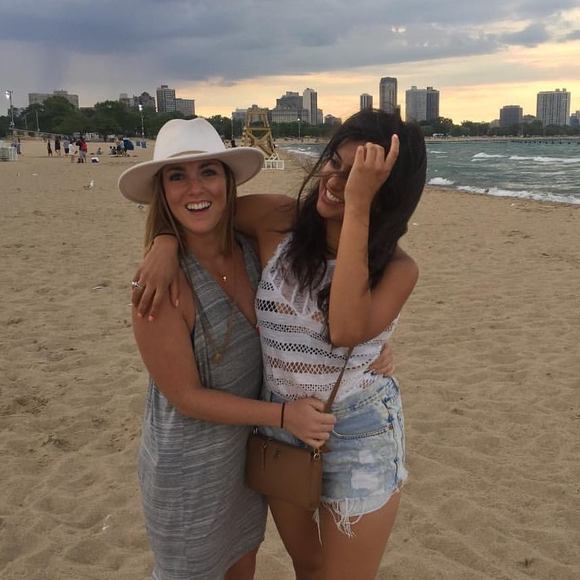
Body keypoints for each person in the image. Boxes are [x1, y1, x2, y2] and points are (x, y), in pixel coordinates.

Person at [135, 109, 426, 579]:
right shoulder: (278, 218)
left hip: (358, 429)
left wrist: (357, 208)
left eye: (357, 177)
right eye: (335, 163)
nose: (335, 182)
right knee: (307, 565)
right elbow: (201, 210)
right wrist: (164, 242)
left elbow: (345, 330)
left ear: (387, 192)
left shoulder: (398, 269)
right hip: (279, 425)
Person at [118, 118, 343, 580]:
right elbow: (187, 398)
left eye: (208, 172)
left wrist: (374, 347)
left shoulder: (254, 247)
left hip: (243, 466)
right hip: (188, 474)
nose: (195, 188)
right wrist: (285, 416)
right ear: (162, 191)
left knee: (242, 569)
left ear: (227, 180)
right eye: (177, 176)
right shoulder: (160, 287)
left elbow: (314, 224)